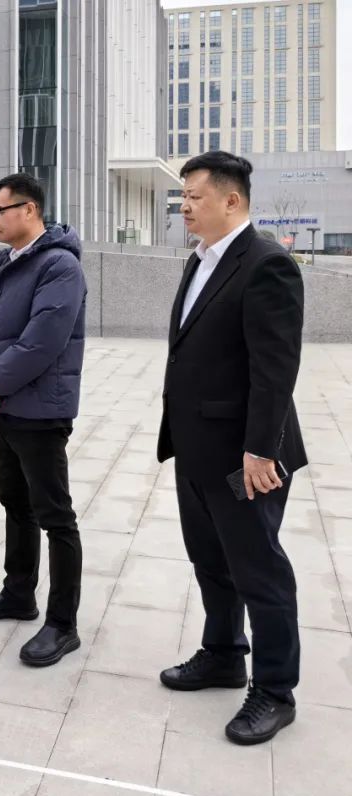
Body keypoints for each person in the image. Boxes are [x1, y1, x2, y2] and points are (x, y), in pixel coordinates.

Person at [156, 151, 307, 745]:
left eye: (193, 197)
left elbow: (275, 369)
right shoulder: (200, 260)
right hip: (197, 448)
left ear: (231, 199)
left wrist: (261, 450)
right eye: (182, 198)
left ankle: (275, 690)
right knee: (210, 562)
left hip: (246, 458)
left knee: (259, 572)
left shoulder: (267, 264)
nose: (184, 207)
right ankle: (223, 654)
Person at [0, 173, 87, 667]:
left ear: (29, 210)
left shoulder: (59, 266)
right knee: (15, 503)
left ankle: (63, 624)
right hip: (6, 407)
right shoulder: (8, 263)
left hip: (40, 411)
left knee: (55, 515)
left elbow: (42, 341)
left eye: (0, 211)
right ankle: (18, 593)